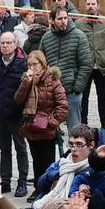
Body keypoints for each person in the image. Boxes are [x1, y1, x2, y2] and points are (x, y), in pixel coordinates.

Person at [29, 6, 94, 128]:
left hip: (71, 91)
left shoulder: (79, 36)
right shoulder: (47, 37)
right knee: (49, 128)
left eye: (65, 18)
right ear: (52, 20)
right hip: (51, 91)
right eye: (60, 18)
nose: (63, 21)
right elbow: (40, 62)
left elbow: (86, 64)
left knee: (74, 128)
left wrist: (77, 88)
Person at [15, 51, 69, 187]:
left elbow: (62, 105)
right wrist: (26, 82)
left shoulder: (53, 80)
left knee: (47, 162)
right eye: (29, 64)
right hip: (31, 127)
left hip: (47, 129)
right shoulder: (27, 79)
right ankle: (38, 188)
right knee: (36, 160)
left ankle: (47, 188)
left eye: (35, 64)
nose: (32, 67)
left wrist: (51, 122)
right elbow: (18, 99)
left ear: (43, 64)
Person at [0, 32, 31, 195]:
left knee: (20, 148)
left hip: (17, 115)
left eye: (8, 43)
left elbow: (27, 90)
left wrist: (19, 108)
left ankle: (22, 182)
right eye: (2, 43)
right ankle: (5, 181)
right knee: (4, 149)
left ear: (15, 44)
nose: (5, 46)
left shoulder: (23, 63)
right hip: (0, 114)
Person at [77, 0, 105, 126]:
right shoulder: (79, 24)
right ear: (85, 6)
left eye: (93, 4)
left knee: (103, 96)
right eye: (88, 4)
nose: (91, 6)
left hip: (102, 66)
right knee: (84, 97)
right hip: (85, 65)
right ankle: (83, 123)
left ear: (98, 6)